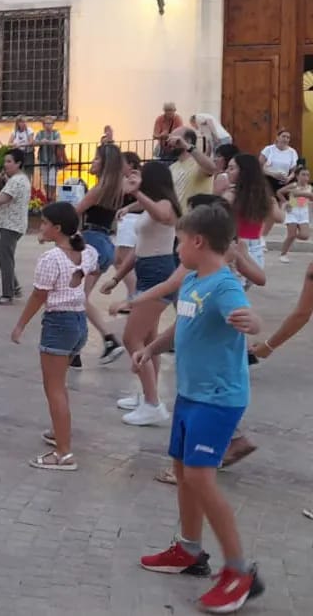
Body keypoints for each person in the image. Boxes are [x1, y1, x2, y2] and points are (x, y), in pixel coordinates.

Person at [135, 204, 264, 612]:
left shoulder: (225, 286)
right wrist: (152, 348)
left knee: (201, 478)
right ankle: (189, 550)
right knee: (182, 470)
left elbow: (246, 316)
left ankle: (240, 571)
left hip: (218, 399)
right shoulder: (193, 279)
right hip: (190, 394)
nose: (175, 249)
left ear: (197, 241)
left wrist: (253, 324)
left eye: (177, 241)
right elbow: (182, 323)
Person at [10, 201, 99, 471]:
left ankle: (63, 452)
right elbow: (92, 267)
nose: (41, 226)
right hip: (78, 321)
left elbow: (39, 295)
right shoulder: (87, 251)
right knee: (59, 385)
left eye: (46, 223)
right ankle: (60, 432)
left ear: (57, 228)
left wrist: (20, 325)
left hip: (59, 322)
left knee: (54, 388)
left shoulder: (51, 259)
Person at [101, 161, 181, 426]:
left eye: (144, 177)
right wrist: (116, 277)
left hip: (159, 273)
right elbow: (138, 249)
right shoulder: (149, 207)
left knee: (131, 337)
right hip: (148, 271)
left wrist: (136, 193)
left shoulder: (166, 205)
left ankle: (152, 404)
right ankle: (148, 394)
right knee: (148, 341)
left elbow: (162, 214)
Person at [73, 144, 126, 366]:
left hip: (92, 241)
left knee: (78, 297)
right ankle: (75, 350)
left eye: (96, 159)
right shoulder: (116, 190)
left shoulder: (98, 190)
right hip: (104, 242)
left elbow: (74, 212)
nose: (92, 163)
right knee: (78, 296)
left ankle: (108, 338)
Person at [223, 153, 281, 277]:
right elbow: (279, 217)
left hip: (237, 245)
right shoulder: (262, 195)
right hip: (255, 246)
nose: (227, 171)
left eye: (231, 168)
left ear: (243, 172)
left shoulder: (231, 196)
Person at [0, 148, 31, 305]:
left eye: (9, 162)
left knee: (4, 256)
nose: (5, 165)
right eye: (5, 161)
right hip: (12, 223)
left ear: (18, 163)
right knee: (2, 256)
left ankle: (7, 294)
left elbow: (1, 199)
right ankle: (14, 286)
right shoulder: (18, 179)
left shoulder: (17, 181)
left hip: (12, 225)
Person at [107, 151, 143, 317]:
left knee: (124, 258)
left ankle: (133, 296)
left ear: (131, 164)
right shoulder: (125, 178)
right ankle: (132, 294)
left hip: (131, 220)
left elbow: (141, 198)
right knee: (119, 258)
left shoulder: (135, 178)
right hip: (126, 219)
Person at [167, 128, 217, 213]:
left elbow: (212, 169)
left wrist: (187, 146)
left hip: (196, 221)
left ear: (188, 141)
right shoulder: (172, 167)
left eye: (175, 139)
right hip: (177, 222)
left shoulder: (198, 163)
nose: (170, 142)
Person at [278, 168, 312, 263]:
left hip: (303, 213)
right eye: (303, 174)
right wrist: (285, 203)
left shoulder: (309, 187)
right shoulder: (293, 185)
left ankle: (292, 237)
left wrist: (305, 194)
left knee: (305, 236)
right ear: (297, 176)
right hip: (292, 212)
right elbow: (279, 192)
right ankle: (283, 254)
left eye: (307, 175)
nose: (306, 177)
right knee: (291, 235)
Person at [33, 117, 64, 201]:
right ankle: (47, 196)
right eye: (46, 123)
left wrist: (49, 142)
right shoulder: (40, 133)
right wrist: (41, 142)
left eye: (50, 123)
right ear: (43, 125)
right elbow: (35, 142)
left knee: (52, 179)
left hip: (53, 160)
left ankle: (52, 196)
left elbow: (59, 141)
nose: (48, 125)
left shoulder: (55, 133)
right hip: (43, 159)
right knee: (45, 180)